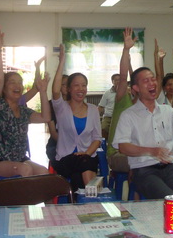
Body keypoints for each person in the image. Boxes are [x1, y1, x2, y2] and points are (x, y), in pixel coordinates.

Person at [112, 66, 173, 199]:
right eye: (146, 81)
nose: (152, 83)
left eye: (153, 79)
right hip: (144, 170)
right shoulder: (128, 115)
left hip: (169, 168)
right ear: (136, 88)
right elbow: (122, 147)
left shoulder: (167, 111)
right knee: (170, 201)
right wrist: (152, 151)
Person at [0, 24, 51, 180]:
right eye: (12, 82)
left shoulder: (23, 111)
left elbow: (46, 117)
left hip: (19, 159)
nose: (17, 85)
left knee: (44, 172)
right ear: (3, 88)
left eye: (20, 82)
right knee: (24, 170)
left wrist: (43, 91)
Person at [51, 44, 102, 191]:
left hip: (87, 158)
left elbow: (97, 139)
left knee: (79, 172)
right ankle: (93, 197)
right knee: (83, 164)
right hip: (65, 159)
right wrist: (61, 61)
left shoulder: (93, 110)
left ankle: (81, 197)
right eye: (76, 85)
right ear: (68, 89)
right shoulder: (62, 108)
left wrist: (86, 153)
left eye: (84, 85)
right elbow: (55, 91)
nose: (81, 89)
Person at [107, 27, 136, 174]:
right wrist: (126, 50)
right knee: (144, 164)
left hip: (137, 151)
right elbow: (124, 77)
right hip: (117, 153)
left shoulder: (144, 105)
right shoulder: (122, 100)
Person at [98, 73, 120, 139]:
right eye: (116, 80)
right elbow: (101, 107)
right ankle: (105, 143)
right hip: (109, 117)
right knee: (103, 128)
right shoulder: (107, 93)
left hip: (121, 117)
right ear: (112, 81)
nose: (118, 82)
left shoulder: (126, 92)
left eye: (119, 80)